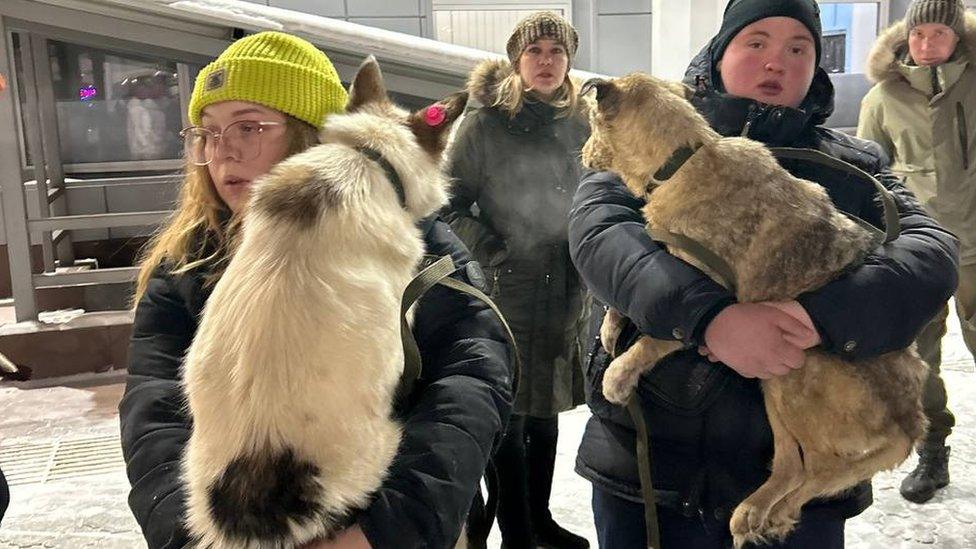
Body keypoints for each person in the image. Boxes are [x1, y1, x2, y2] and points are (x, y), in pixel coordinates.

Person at [568, 0, 960, 547]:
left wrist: (821, 315)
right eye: (757, 43)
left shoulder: (853, 166)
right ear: (719, 53)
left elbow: (932, 251)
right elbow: (601, 237)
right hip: (655, 465)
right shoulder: (650, 140)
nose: (777, 62)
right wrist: (709, 318)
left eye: (798, 49)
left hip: (803, 492)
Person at [118, 31, 514, 549]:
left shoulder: (415, 246)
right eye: (207, 133)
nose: (223, 151)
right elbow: (153, 410)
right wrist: (188, 535)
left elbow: (470, 383)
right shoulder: (188, 264)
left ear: (313, 135)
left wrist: (386, 530)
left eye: (249, 126)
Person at [444, 10, 590, 549]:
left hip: (566, 285)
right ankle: (516, 529)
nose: (546, 61)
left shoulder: (584, 121)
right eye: (535, 52)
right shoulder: (485, 122)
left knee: (546, 406)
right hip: (508, 286)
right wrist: (493, 250)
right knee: (508, 411)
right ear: (517, 61)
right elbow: (448, 203)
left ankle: (540, 518)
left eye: (556, 51)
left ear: (568, 59)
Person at [857, 0, 972, 504]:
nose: (927, 45)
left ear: (958, 37)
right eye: (918, 34)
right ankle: (932, 447)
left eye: (938, 35)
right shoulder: (881, 98)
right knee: (918, 358)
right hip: (916, 253)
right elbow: (867, 182)